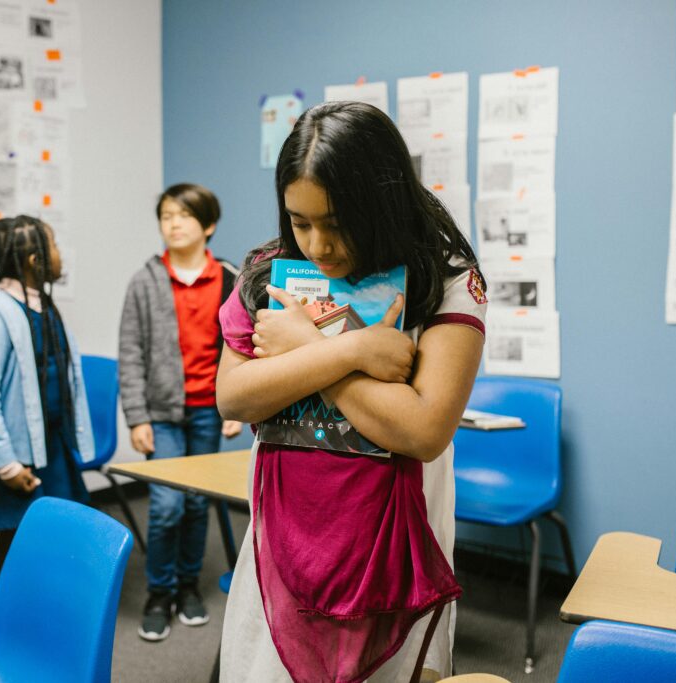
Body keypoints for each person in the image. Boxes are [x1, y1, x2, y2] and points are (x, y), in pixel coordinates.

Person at [215, 101, 487, 682]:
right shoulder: (267, 270)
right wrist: (349, 350)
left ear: (382, 204)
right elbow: (234, 396)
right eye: (300, 221)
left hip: (391, 551)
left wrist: (303, 348)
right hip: (281, 545)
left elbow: (421, 430)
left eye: (338, 223)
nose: (317, 245)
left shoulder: (447, 278)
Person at [0, 215, 95, 663]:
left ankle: (33, 633)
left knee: (45, 542)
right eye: (53, 245)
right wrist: (6, 464)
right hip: (9, 458)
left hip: (49, 448)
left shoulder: (44, 307)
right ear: (35, 259)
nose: (60, 255)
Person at [119, 183, 243, 642]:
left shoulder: (231, 277)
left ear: (208, 225)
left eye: (184, 215)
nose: (173, 223)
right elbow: (129, 351)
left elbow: (242, 345)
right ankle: (159, 592)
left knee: (196, 503)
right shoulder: (144, 280)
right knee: (167, 504)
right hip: (163, 412)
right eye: (166, 215)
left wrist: (236, 404)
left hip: (209, 410)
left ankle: (188, 587)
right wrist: (137, 416)